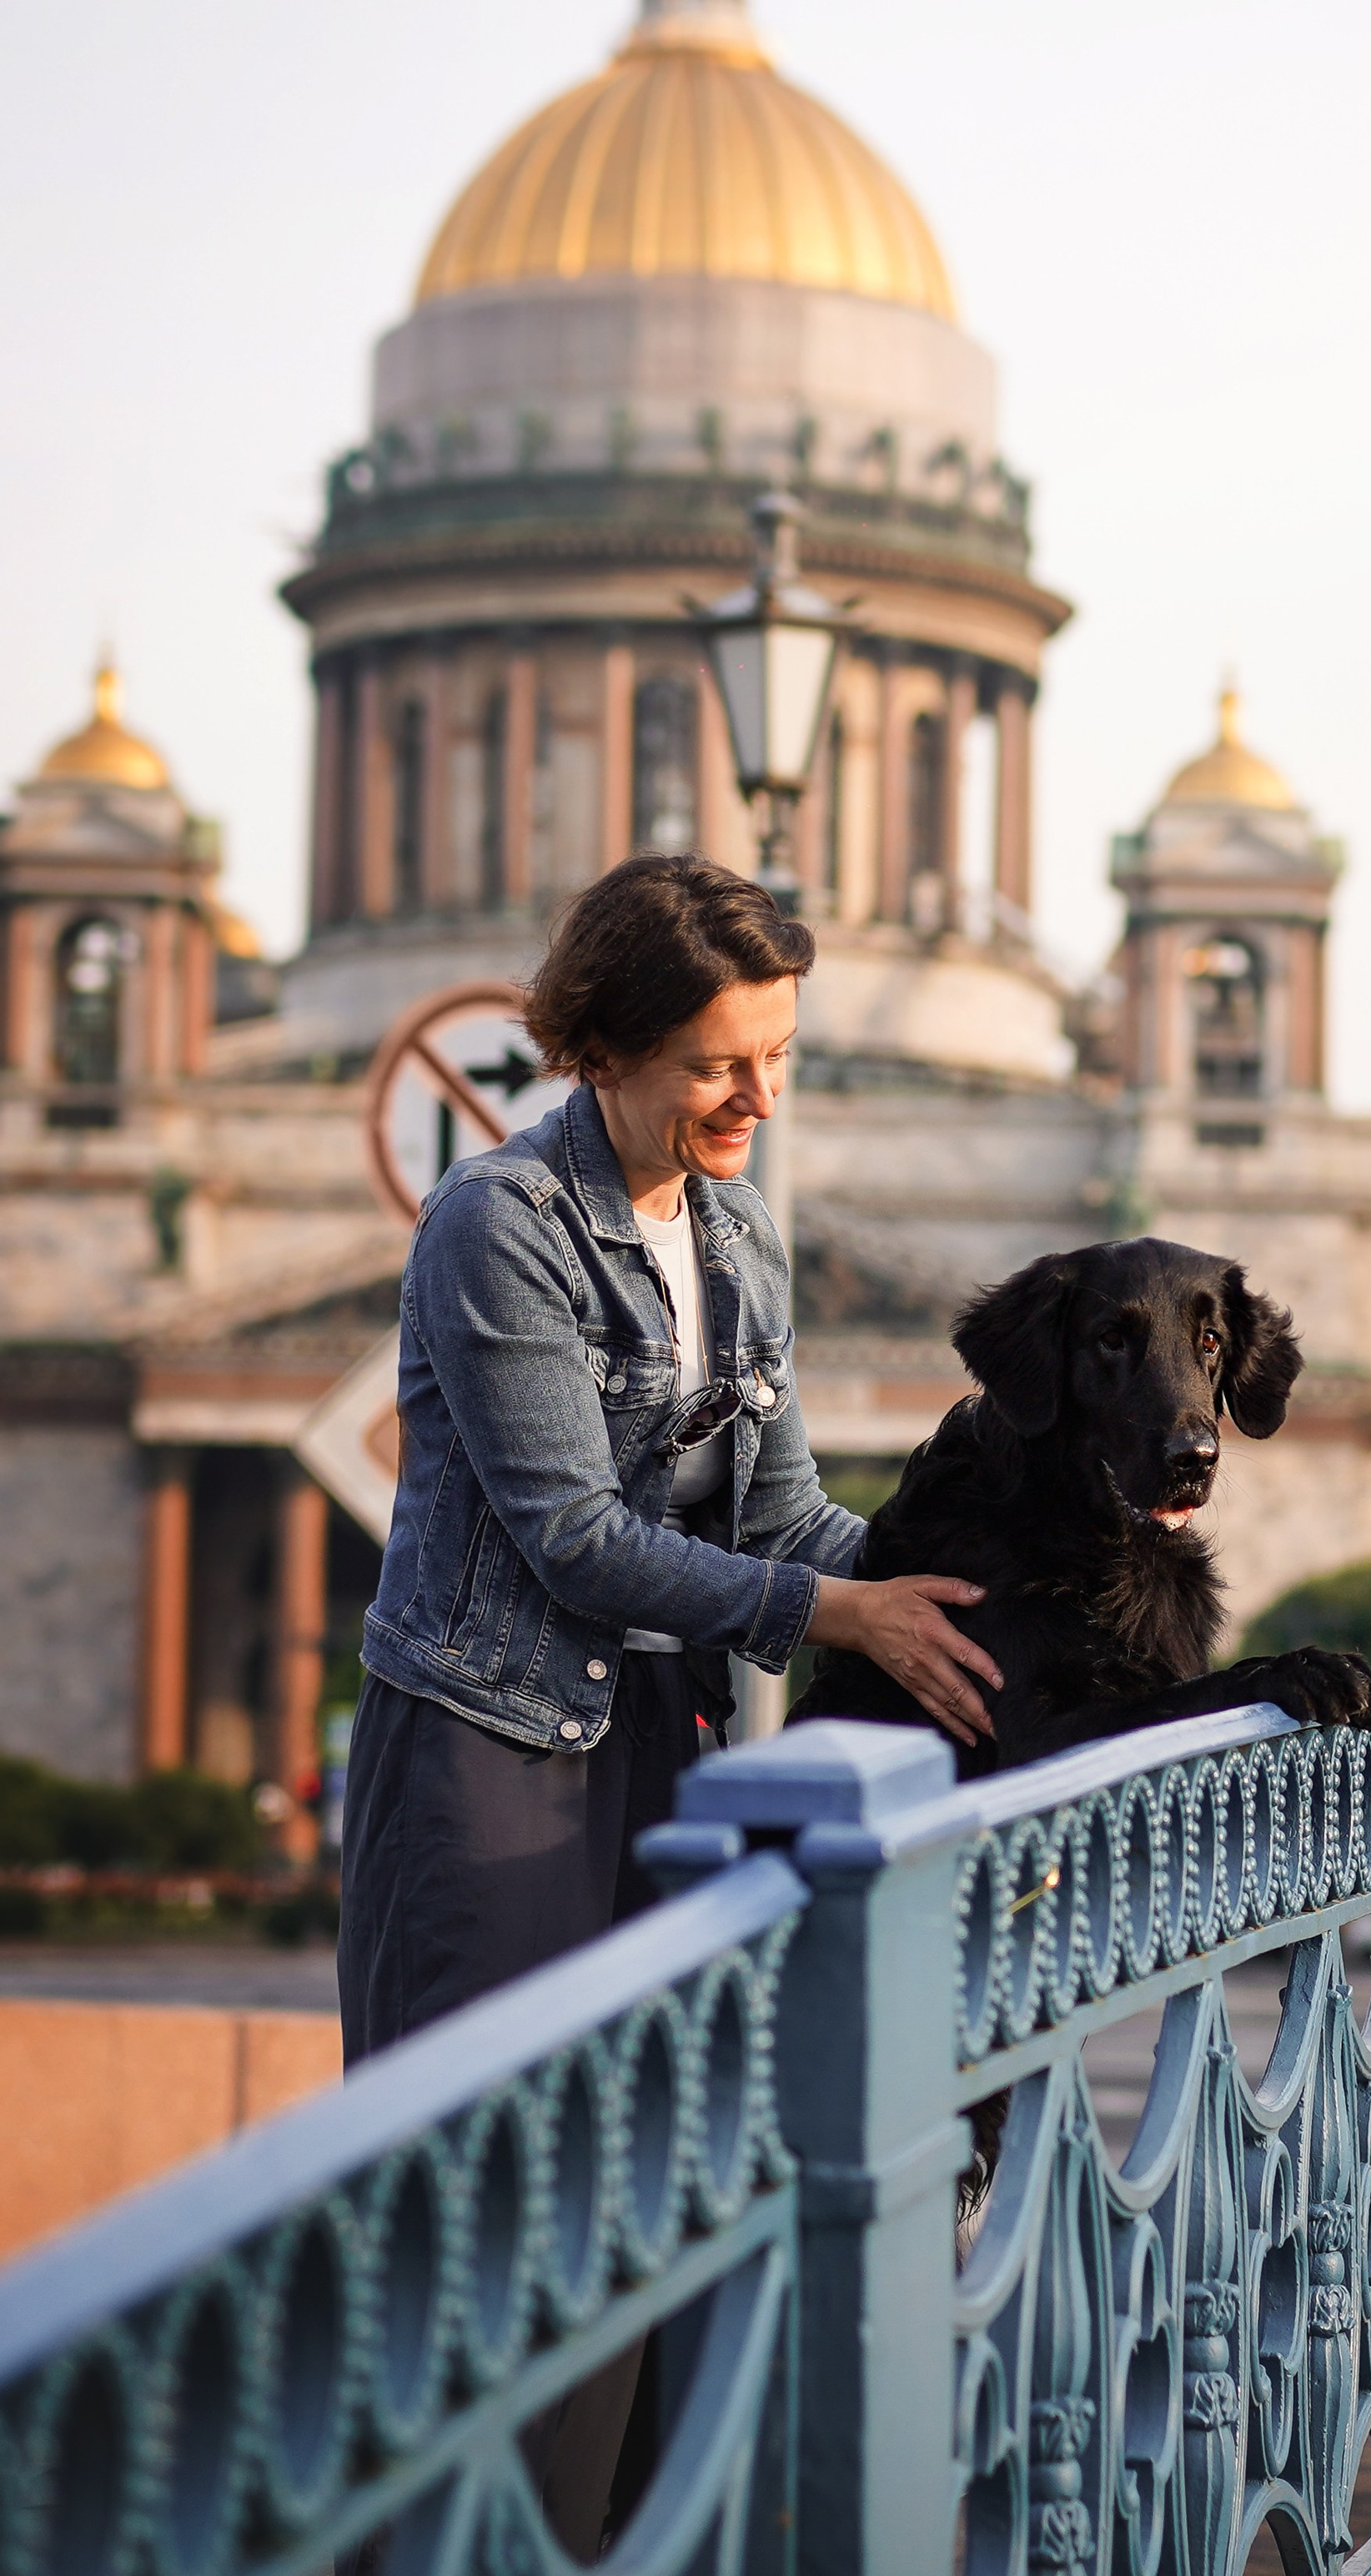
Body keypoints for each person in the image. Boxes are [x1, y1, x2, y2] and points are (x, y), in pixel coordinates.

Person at [336, 853, 1002, 2066]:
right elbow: (577, 1543)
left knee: (651, 2132)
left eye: (778, 1052)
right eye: (714, 1066)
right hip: (494, 1737)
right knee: (486, 2134)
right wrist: (847, 1618)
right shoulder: (499, 1222)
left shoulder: (739, 1228)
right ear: (601, 1052)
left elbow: (788, 1517)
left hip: (668, 1725)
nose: (761, 1095)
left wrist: (978, 1588)